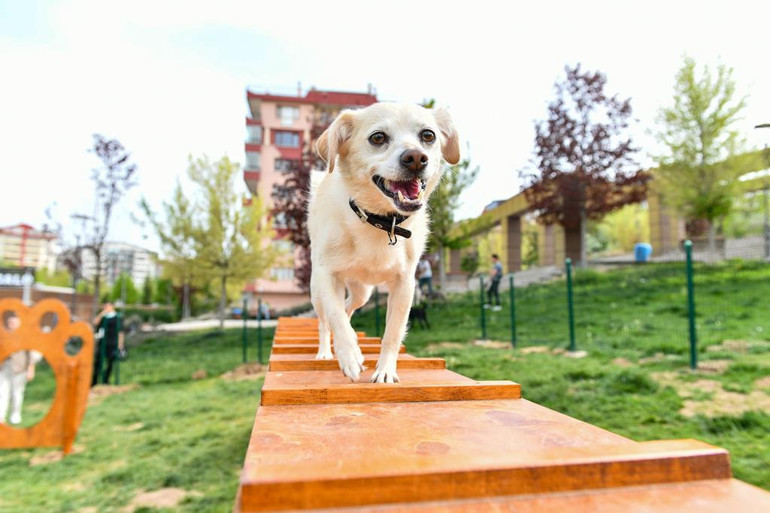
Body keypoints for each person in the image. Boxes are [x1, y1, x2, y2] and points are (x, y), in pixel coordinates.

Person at [0, 313, 39, 425]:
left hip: (19, 368)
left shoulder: (25, 336)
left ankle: (15, 414)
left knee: (17, 393)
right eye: (10, 322)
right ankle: (1, 416)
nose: (11, 324)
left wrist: (31, 369)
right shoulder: (4, 335)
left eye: (13, 322)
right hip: (4, 367)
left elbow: (31, 354)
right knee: (2, 392)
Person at [91, 303, 125, 386]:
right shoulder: (103, 317)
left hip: (112, 342)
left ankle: (106, 380)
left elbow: (120, 331)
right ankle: (94, 381)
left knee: (110, 362)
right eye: (105, 306)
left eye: (108, 306)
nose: (106, 308)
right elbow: (95, 322)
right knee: (98, 362)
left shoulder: (117, 317)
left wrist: (120, 343)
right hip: (103, 342)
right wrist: (102, 313)